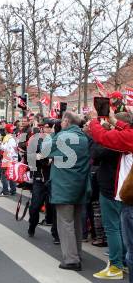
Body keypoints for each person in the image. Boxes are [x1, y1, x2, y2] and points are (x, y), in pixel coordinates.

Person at [88, 110, 133, 283]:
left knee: (120, 236)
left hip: (125, 197)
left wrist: (94, 121)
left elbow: (102, 139)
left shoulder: (127, 137)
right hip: (119, 194)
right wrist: (114, 121)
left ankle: (117, 267)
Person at [42, 111, 91, 271]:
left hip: (64, 184)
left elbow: (45, 150)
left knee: (65, 223)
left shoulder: (62, 136)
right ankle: (77, 253)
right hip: (80, 184)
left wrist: (50, 134)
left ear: (66, 121)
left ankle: (71, 259)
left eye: (62, 121)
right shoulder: (85, 138)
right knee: (76, 222)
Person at [0, 123, 17, 196]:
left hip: (7, 158)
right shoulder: (13, 136)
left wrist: (0, 144)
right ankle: (13, 190)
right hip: (14, 158)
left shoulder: (7, 137)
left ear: (6, 130)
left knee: (4, 176)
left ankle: (5, 191)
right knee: (12, 175)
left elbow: (4, 147)